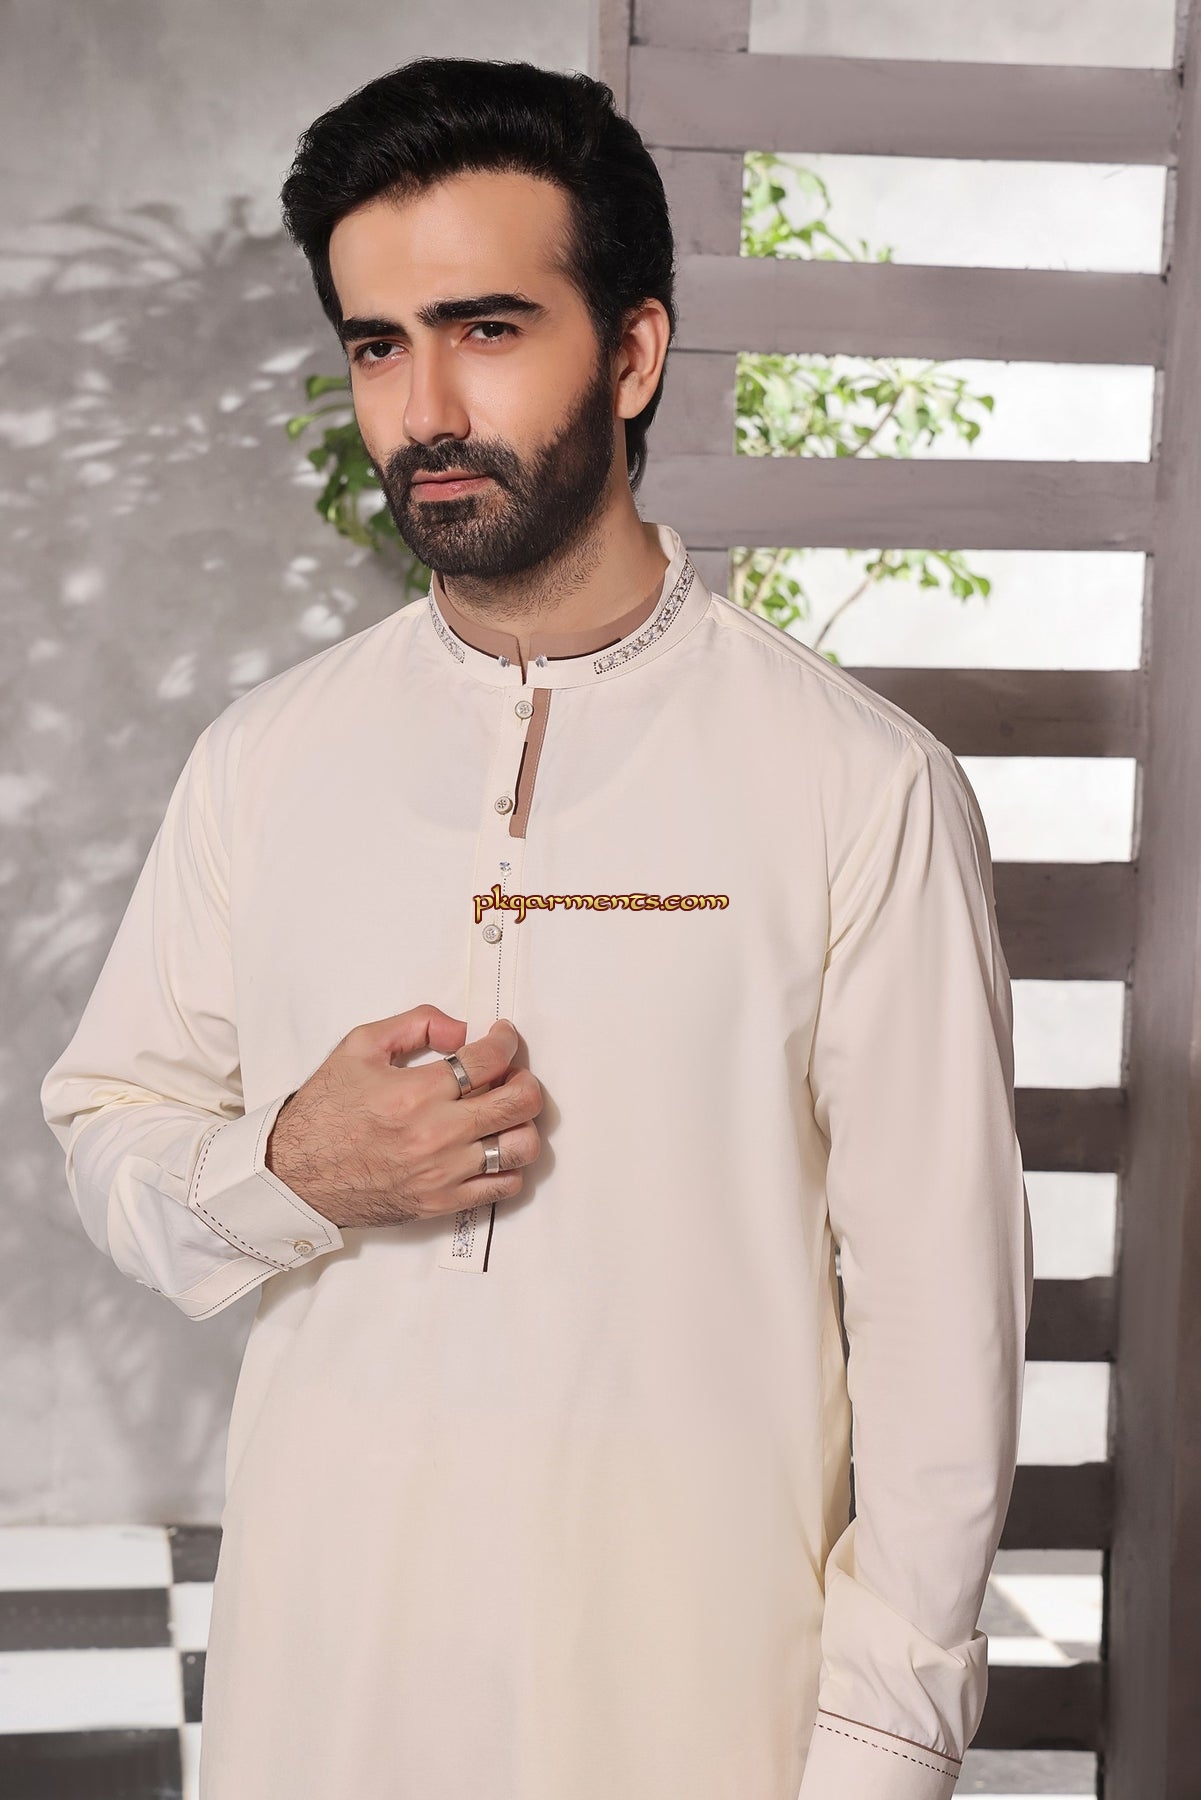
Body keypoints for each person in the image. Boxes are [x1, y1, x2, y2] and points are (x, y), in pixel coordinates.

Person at [40, 55, 1034, 1800]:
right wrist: (288, 1169)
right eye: (377, 345)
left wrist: (878, 1755)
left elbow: (941, 1331)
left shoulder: (856, 786)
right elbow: (109, 1127)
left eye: (485, 330)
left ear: (631, 352)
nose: (424, 406)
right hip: (323, 1691)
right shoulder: (266, 761)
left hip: (698, 1704)